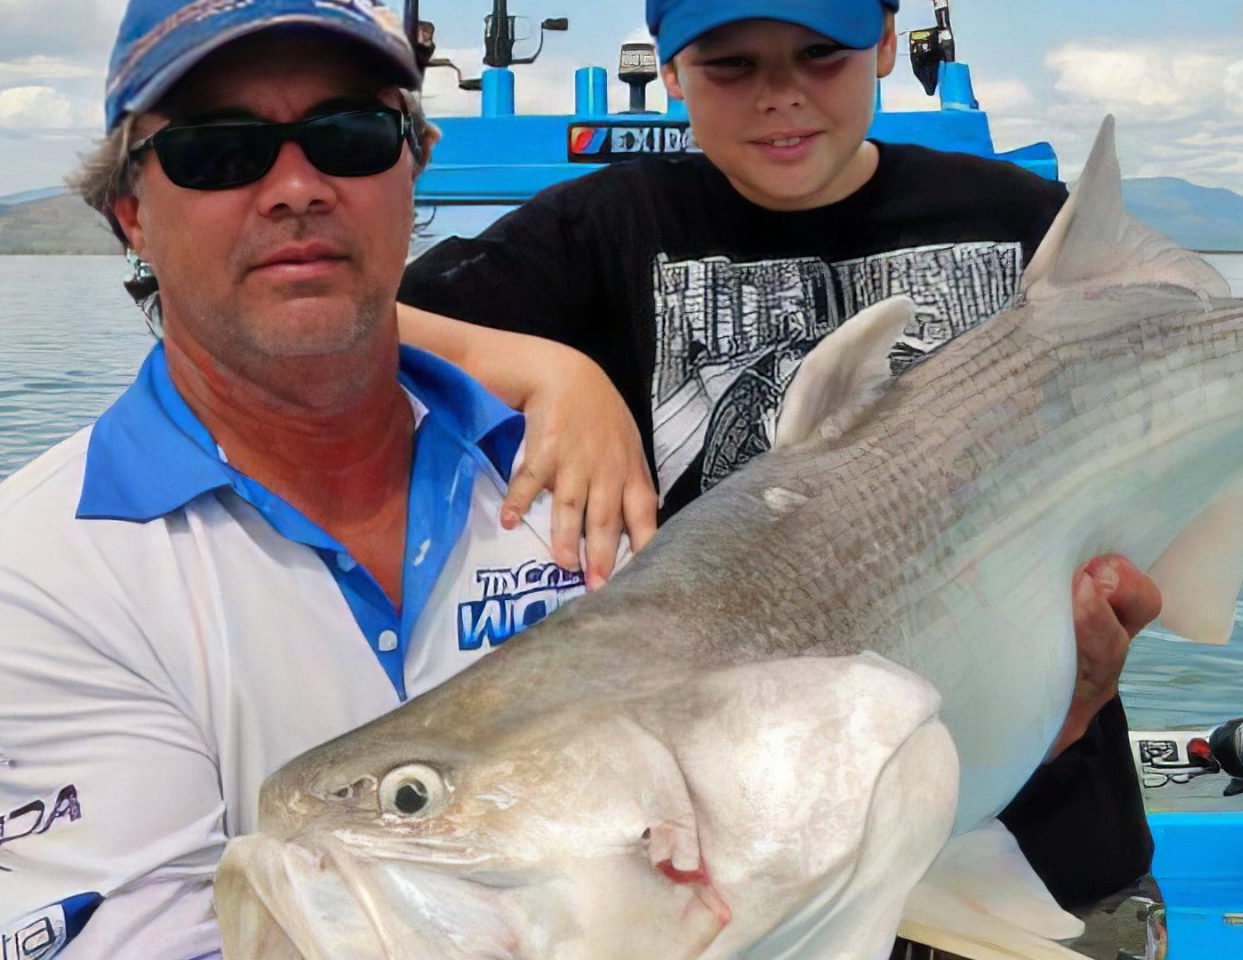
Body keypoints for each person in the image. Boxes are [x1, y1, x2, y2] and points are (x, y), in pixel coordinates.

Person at [398, 0, 1165, 922]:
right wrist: (548, 370)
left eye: (821, 54)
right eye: (731, 66)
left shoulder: (1021, 221)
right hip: (759, 883)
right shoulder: (598, 234)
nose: (782, 97)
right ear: (671, 71)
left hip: (1057, 836)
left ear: (885, 44)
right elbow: (351, 331)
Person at [0, 2, 617, 955]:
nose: (297, 187)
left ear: (412, 168)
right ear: (131, 214)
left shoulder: (573, 474)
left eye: (348, 135)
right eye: (220, 150)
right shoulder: (20, 596)